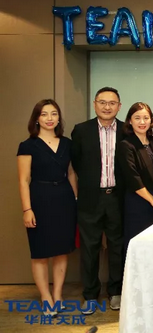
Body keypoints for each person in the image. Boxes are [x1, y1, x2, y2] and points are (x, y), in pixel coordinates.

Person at [17, 99, 77, 316]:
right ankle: (45, 296)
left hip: (65, 200)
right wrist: (27, 210)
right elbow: (23, 180)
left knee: (61, 251)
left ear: (59, 118)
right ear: (37, 118)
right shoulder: (28, 145)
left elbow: (71, 173)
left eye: (54, 114)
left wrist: (75, 199)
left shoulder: (67, 143)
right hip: (39, 200)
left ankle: (58, 294)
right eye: (44, 114)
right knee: (40, 252)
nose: (49, 118)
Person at [71, 87, 124, 313]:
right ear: (94, 104)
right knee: (89, 248)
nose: (107, 107)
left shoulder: (126, 130)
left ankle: (115, 292)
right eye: (102, 102)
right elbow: (77, 163)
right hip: (90, 198)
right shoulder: (81, 130)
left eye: (112, 103)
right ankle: (90, 294)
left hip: (118, 198)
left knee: (117, 247)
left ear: (119, 106)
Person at [116, 102, 153, 253]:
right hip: (139, 202)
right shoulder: (126, 145)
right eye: (137, 118)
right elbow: (132, 177)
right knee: (138, 246)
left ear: (151, 121)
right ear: (130, 121)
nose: (142, 122)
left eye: (146, 118)